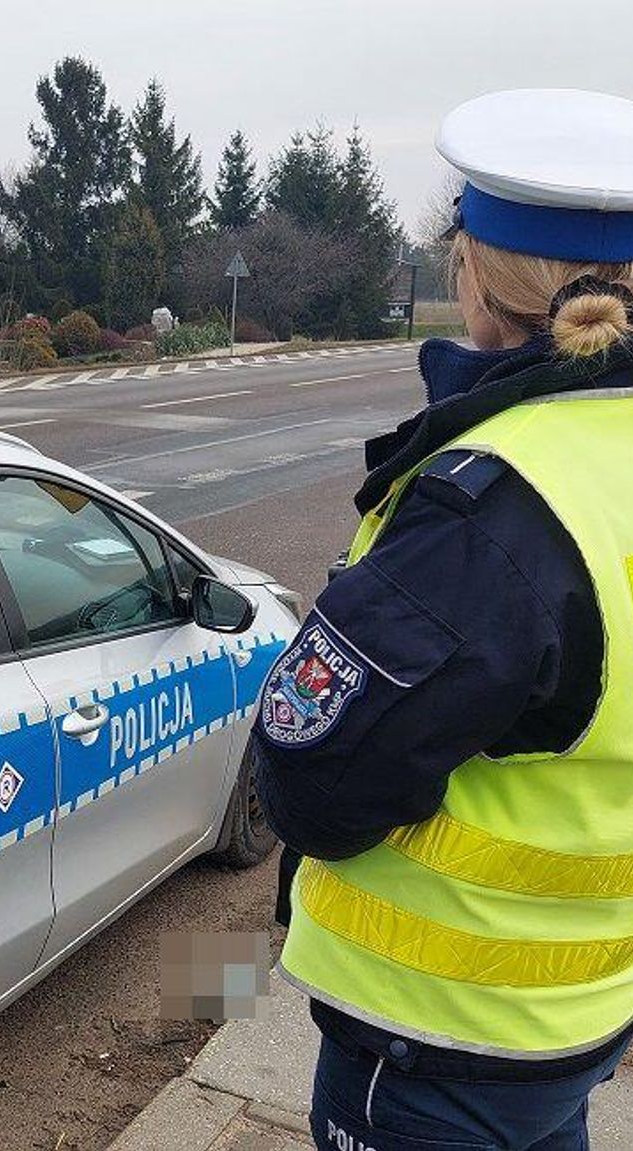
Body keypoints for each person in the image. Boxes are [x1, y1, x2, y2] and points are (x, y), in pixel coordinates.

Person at [253, 88, 633, 1151]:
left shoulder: (499, 507)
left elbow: (312, 778)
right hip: (576, 1014)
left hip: (437, 1045)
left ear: (481, 275)